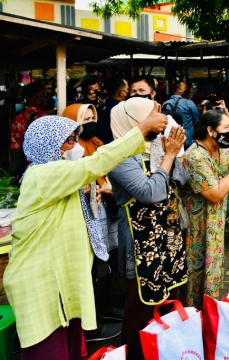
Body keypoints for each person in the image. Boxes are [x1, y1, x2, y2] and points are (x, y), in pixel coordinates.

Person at [3, 109, 168, 360]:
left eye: (75, 138)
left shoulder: (59, 176)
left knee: (69, 349)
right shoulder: (42, 174)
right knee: (48, 350)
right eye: (69, 140)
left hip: (59, 279)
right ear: (48, 145)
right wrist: (142, 129)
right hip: (39, 281)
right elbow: (97, 162)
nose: (76, 145)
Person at [108, 97, 188, 359]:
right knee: (140, 307)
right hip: (140, 244)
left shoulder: (155, 146)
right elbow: (150, 192)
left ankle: (167, 350)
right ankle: (135, 353)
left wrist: (174, 154)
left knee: (171, 298)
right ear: (134, 122)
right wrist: (168, 156)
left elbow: (180, 180)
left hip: (167, 238)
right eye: (153, 115)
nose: (162, 121)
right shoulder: (119, 155)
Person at [62, 103, 124, 341]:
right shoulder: (69, 150)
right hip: (85, 214)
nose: (89, 123)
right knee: (90, 268)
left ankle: (106, 308)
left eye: (91, 117)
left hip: (104, 209)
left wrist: (106, 187)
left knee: (105, 260)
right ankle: (92, 324)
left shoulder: (97, 142)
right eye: (83, 119)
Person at [181, 110, 229, 308]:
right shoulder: (195, 156)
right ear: (211, 130)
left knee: (212, 271)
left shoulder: (218, 150)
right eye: (226, 128)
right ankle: (194, 317)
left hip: (215, 225)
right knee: (196, 273)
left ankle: (210, 313)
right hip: (198, 228)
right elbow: (216, 193)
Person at [9, 82, 49, 180]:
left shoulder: (17, 118)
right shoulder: (43, 118)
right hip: (40, 169)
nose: (47, 99)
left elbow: (15, 147)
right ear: (33, 99)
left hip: (23, 168)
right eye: (45, 95)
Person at [162, 81, 200, 148]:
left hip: (170, 138)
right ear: (178, 90)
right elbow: (197, 119)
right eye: (185, 88)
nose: (187, 89)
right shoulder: (189, 103)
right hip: (187, 139)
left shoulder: (166, 103)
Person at [97, 76, 129, 144]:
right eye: (127, 89)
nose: (128, 92)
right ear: (121, 92)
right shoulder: (124, 109)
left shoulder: (98, 109)